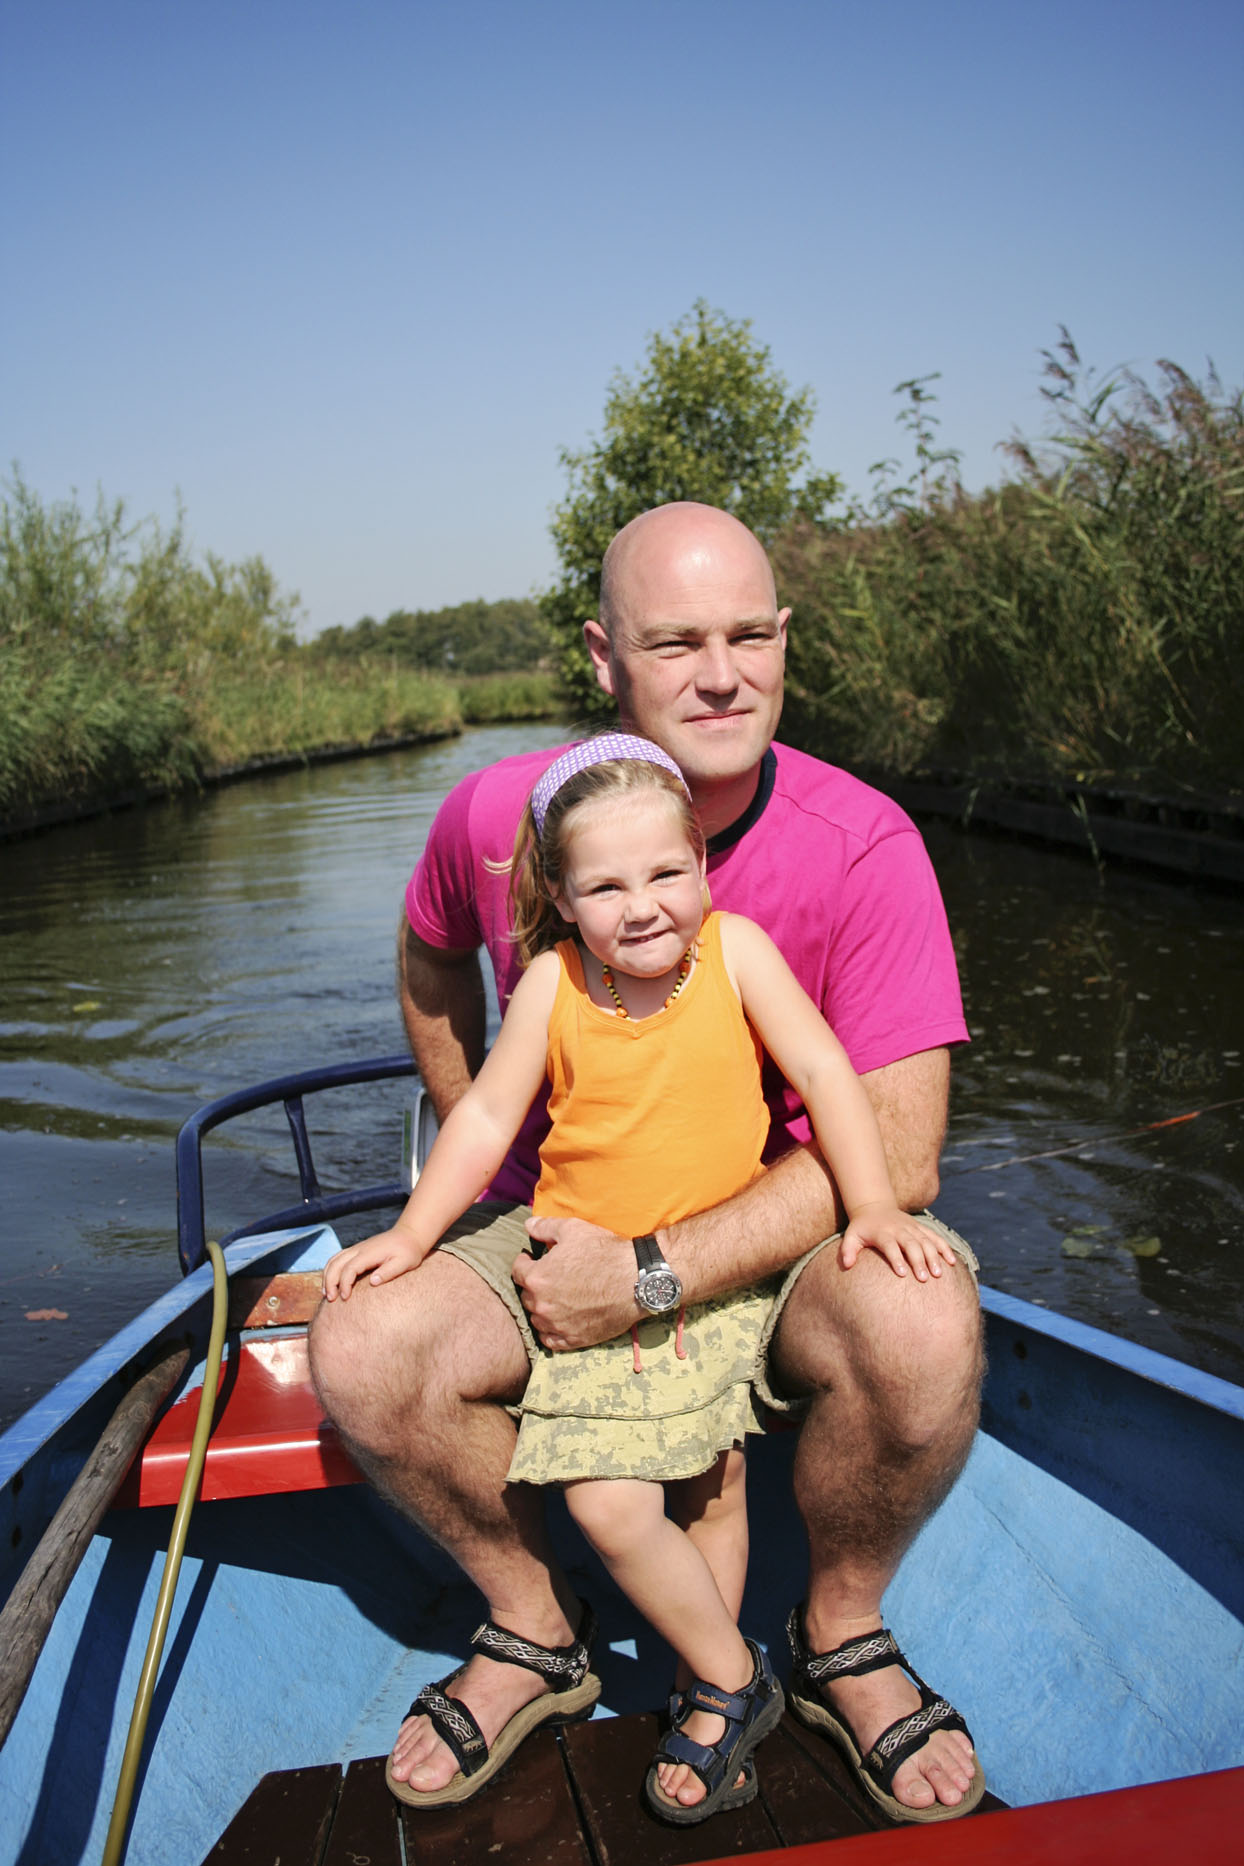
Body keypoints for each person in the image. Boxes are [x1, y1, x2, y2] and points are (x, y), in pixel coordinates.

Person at [308, 501, 985, 1824]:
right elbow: (434, 945)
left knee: (921, 1318)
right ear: (604, 655)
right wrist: (457, 1174)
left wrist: (655, 1276)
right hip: (565, 1212)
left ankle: (837, 1626)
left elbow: (894, 1147)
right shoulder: (504, 822)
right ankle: (534, 1626)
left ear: (786, 638)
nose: (722, 672)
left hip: (773, 1230)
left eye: (749, 634)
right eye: (678, 641)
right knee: (365, 1344)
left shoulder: (863, 848)